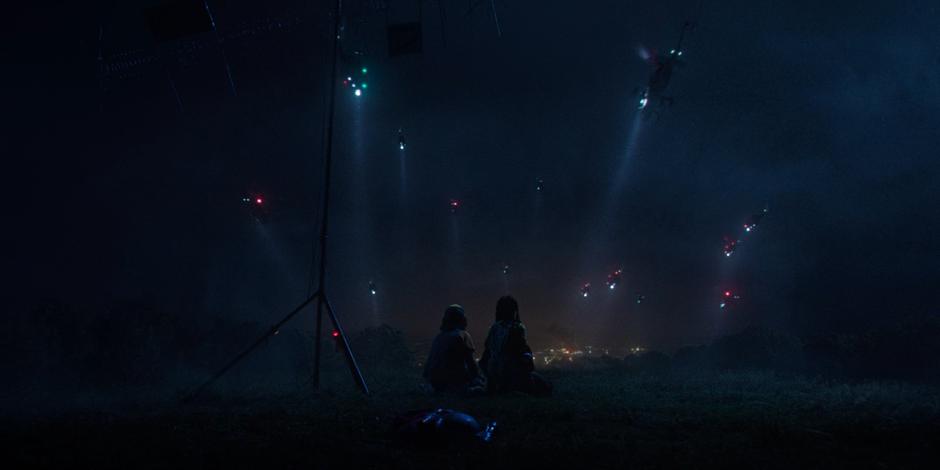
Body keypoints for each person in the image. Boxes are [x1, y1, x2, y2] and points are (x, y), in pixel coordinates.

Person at [479, 296, 552, 396]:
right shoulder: (517, 328)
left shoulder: (493, 328)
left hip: (494, 378)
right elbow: (521, 354)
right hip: (512, 375)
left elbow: (486, 355)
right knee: (545, 385)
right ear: (514, 311)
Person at [423, 304, 485, 394]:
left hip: (435, 385)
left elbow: (428, 368)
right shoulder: (462, 335)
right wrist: (478, 379)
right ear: (462, 319)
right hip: (455, 385)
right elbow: (471, 364)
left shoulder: (439, 337)